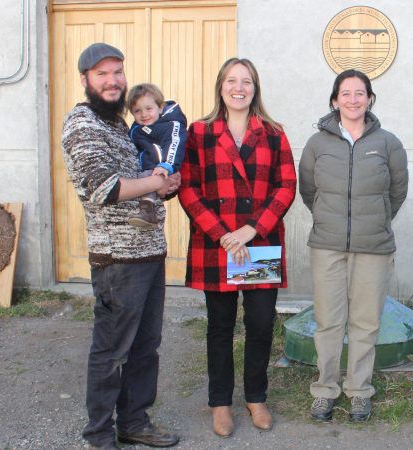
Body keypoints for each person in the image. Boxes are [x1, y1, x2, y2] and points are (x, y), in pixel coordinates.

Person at [61, 42, 181, 450]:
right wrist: (155, 181)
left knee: (146, 347)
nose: (112, 81)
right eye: (102, 74)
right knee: (112, 350)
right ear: (85, 80)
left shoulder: (118, 125)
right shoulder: (83, 125)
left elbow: (139, 184)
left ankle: (134, 422)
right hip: (117, 260)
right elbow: (103, 188)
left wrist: (164, 189)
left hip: (148, 252)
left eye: (117, 72)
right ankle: (99, 435)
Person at [178, 57, 296, 438]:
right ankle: (220, 403)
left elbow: (286, 186)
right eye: (232, 80)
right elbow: (188, 188)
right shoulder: (198, 132)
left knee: (261, 324)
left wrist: (251, 229)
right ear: (221, 87)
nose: (239, 87)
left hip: (256, 244)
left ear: (255, 88)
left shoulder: (274, 133)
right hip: (219, 246)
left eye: (246, 81)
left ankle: (256, 396)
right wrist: (222, 233)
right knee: (220, 327)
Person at [299, 69, 408, 423]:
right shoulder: (317, 144)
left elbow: (397, 192)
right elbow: (308, 190)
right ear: (335, 100)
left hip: (373, 246)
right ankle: (325, 389)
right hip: (327, 245)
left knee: (365, 322)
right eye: (345, 93)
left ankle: (359, 390)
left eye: (360, 93)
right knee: (329, 321)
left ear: (370, 99)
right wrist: (329, 219)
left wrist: (373, 220)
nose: (353, 99)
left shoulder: (388, 143)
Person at [126, 83, 187, 228]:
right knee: (142, 178)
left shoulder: (170, 125)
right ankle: (148, 214)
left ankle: (148, 214)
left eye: (149, 109)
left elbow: (174, 144)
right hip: (149, 171)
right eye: (137, 111)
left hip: (162, 169)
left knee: (145, 178)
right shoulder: (136, 130)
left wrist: (167, 165)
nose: (144, 114)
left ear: (160, 107)